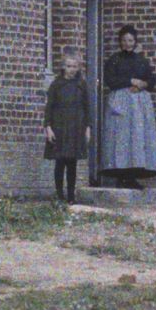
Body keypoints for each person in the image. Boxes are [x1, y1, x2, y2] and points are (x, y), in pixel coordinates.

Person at [101, 25, 156, 189]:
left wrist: (143, 84)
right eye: (125, 40)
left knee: (136, 138)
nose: (128, 43)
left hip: (138, 105)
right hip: (120, 103)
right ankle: (120, 175)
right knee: (121, 138)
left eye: (131, 40)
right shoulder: (114, 60)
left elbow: (151, 80)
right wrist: (130, 81)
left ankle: (133, 176)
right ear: (120, 42)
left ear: (135, 42)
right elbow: (110, 80)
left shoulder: (141, 60)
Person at [43, 51, 93, 204]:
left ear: (79, 68)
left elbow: (87, 107)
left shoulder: (81, 85)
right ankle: (59, 194)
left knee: (72, 162)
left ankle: (71, 195)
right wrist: (48, 127)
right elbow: (49, 107)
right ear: (63, 67)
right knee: (60, 161)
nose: (72, 69)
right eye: (69, 66)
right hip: (59, 126)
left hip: (75, 126)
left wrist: (87, 127)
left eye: (75, 66)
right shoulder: (56, 85)